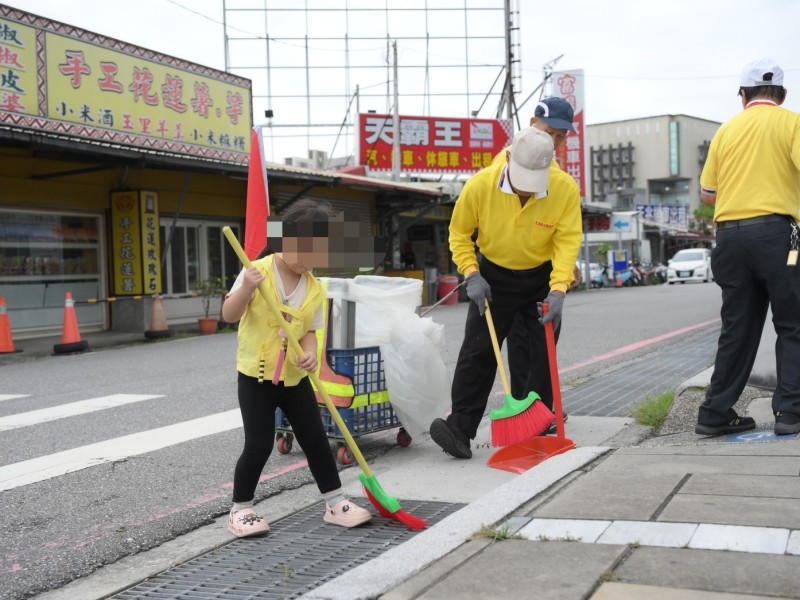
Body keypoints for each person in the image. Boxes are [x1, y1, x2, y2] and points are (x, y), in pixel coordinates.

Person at [429, 127, 582, 459]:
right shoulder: (481, 185)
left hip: (541, 277)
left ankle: (537, 426)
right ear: (509, 159)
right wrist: (472, 274)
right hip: (492, 276)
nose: (526, 191)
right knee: (478, 352)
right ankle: (460, 428)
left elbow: (568, 241)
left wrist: (558, 290)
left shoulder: (565, 189)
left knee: (541, 352)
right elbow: (459, 233)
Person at [222, 198, 372, 537]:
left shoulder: (315, 288)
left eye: (319, 254)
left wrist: (309, 354)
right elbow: (229, 315)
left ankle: (335, 502)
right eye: (306, 252)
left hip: (294, 378)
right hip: (256, 377)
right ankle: (240, 508)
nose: (310, 262)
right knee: (258, 444)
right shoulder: (256, 271)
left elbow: (310, 334)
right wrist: (246, 286)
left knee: (316, 440)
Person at [695, 58, 800, 437]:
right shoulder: (792, 122)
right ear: (782, 94)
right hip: (777, 235)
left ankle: (715, 412)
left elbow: (707, 194)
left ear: (743, 96)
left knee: (736, 328)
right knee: (792, 324)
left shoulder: (726, 130)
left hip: (729, 238)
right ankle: (789, 413)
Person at [503, 97, 580, 433]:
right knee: (521, 344)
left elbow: (566, 231)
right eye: (550, 132)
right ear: (533, 124)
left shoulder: (557, 174)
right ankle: (524, 413)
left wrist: (565, 271)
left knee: (545, 342)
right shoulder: (505, 163)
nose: (555, 142)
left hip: (545, 274)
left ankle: (541, 411)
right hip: (510, 269)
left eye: (562, 136)